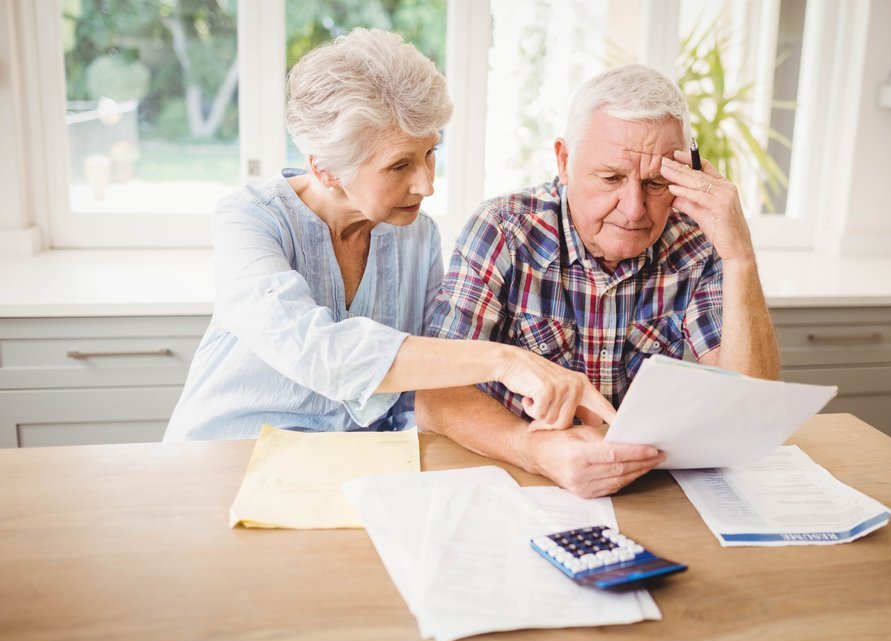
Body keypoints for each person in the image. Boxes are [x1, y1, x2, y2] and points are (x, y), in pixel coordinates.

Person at [164, 28, 614, 442]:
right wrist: (507, 361)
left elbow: (419, 386)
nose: (426, 184)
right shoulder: (248, 219)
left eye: (430, 153)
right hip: (226, 455)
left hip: (352, 467)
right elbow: (318, 352)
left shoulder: (416, 235)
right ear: (325, 167)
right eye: (400, 165)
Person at [416, 64, 780, 498]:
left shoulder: (696, 242)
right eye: (611, 178)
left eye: (656, 182)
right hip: (513, 479)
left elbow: (748, 402)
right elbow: (434, 396)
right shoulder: (503, 229)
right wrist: (535, 450)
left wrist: (739, 255)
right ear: (565, 161)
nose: (634, 209)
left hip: (642, 489)